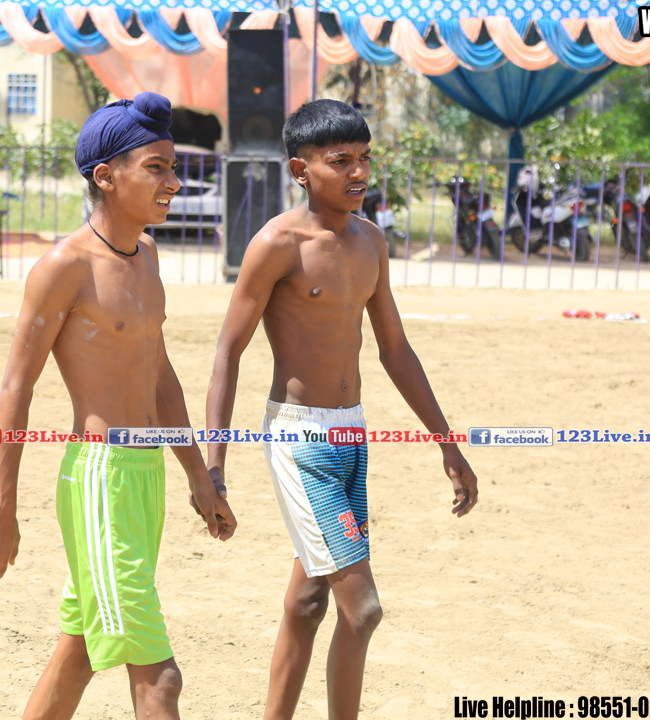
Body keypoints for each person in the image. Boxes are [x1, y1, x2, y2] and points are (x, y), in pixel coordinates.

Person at [202, 99, 479, 720]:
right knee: (364, 608)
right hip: (301, 442)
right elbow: (227, 353)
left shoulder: (371, 241)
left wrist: (447, 443)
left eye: (364, 158)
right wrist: (214, 467)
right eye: (340, 161)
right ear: (301, 170)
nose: (358, 172)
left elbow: (395, 349)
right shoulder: (277, 244)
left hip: (352, 436)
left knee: (308, 601)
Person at [0, 92, 237, 720]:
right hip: (100, 481)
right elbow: (16, 388)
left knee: (81, 652)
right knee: (159, 678)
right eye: (156, 168)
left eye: (173, 168)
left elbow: (159, 374)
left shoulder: (148, 255)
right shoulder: (64, 267)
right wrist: (0, 504)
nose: (174, 182)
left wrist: (198, 476)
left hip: (145, 479)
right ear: (107, 177)